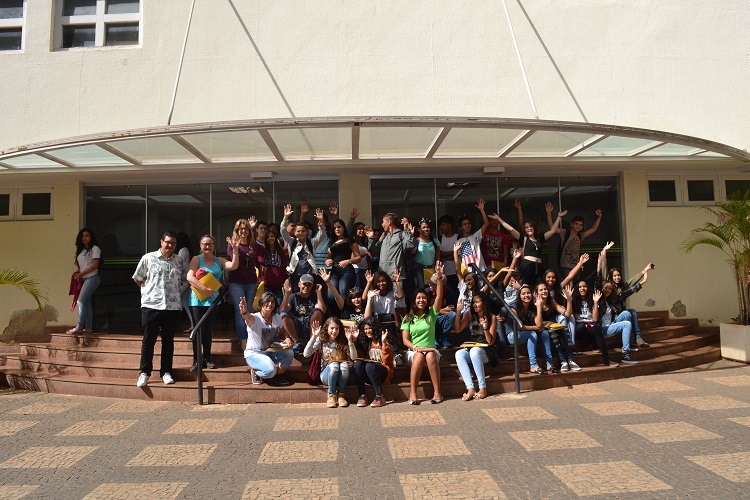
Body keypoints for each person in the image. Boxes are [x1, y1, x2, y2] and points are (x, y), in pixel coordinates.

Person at [132, 231, 187, 387]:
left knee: (168, 341)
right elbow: (137, 278)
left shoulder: (179, 261)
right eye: (167, 242)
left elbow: (184, 280)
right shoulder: (148, 258)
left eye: (173, 243)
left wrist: (176, 294)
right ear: (161, 242)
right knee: (148, 340)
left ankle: (166, 372)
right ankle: (144, 373)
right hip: (151, 306)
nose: (170, 245)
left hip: (172, 307)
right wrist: (149, 292)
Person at [186, 235, 239, 372]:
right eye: (204, 244)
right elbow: (189, 277)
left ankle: (207, 358)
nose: (207, 247)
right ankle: (197, 360)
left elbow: (233, 265)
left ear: (214, 246)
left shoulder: (219, 260)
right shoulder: (196, 259)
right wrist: (204, 289)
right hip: (197, 300)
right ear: (200, 246)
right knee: (198, 331)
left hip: (214, 301)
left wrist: (235, 250)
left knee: (208, 331)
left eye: (210, 244)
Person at [401, 261, 445, 404]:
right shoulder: (408, 317)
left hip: (431, 350)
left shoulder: (432, 313)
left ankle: (437, 393)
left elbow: (438, 297)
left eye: (424, 298)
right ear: (414, 300)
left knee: (430, 355)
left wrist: (438, 278)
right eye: (418, 298)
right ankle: (413, 394)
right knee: (419, 356)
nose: (421, 300)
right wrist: (415, 347)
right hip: (414, 351)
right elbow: (405, 340)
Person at [490, 201, 565, 286]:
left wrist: (559, 217)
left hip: (539, 266)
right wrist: (499, 219)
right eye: (526, 227)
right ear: (524, 230)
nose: (529, 228)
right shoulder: (523, 238)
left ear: (534, 227)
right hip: (527, 265)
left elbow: (553, 231)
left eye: (530, 226)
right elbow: (511, 229)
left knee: (540, 286)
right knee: (526, 286)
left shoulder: (540, 238)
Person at [239, 292, 294, 386]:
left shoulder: (277, 317)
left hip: (270, 351)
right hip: (254, 354)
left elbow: (282, 332)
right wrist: (244, 312)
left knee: (289, 353)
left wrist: (287, 338)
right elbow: (247, 317)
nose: (270, 304)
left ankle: (279, 375)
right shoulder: (255, 318)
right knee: (271, 371)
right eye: (267, 301)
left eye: (272, 301)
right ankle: (256, 372)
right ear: (261, 304)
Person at [304, 317, 358, 408]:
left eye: (337, 328)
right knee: (334, 365)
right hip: (327, 375)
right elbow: (306, 354)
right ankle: (331, 395)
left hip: (342, 376)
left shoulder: (343, 340)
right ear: (327, 328)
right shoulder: (322, 340)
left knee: (344, 365)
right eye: (332, 328)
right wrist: (314, 337)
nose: (334, 331)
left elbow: (354, 357)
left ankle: (341, 395)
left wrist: (350, 342)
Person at [227, 217, 262, 349]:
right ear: (237, 230)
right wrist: (235, 248)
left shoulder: (254, 245)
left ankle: (251, 337)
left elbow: (258, 260)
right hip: (236, 282)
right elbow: (232, 261)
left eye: (246, 229)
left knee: (250, 310)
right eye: (241, 229)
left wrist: (252, 228)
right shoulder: (232, 243)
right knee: (240, 311)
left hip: (251, 281)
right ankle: (243, 339)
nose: (243, 231)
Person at [453, 292, 497, 400]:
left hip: (486, 351)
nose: (474, 305)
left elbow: (491, 342)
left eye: (477, 302)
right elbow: (458, 329)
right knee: (459, 354)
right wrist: (458, 311)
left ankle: (483, 388)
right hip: (473, 346)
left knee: (474, 352)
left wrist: (485, 328)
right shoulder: (470, 314)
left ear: (484, 303)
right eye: (473, 302)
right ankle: (470, 388)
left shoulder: (492, 317)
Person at [546, 202, 602, 279]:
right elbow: (552, 228)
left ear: (582, 227)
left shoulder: (580, 236)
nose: (578, 226)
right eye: (576, 224)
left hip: (577, 266)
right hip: (565, 267)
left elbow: (593, 229)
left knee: (576, 287)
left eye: (580, 225)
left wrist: (599, 217)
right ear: (572, 224)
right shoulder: (565, 233)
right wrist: (549, 213)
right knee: (569, 287)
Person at [281, 204, 327, 292]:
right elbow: (283, 231)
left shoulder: (311, 242)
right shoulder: (292, 242)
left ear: (307, 232)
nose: (301, 233)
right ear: (294, 233)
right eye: (298, 231)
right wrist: (285, 218)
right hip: (295, 275)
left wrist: (321, 222)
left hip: (309, 275)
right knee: (295, 295)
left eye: (303, 231)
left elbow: (321, 234)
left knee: (309, 295)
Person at [606, 262, 653, 348]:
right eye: (615, 276)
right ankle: (628, 341)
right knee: (628, 314)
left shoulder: (622, 286)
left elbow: (633, 280)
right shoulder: (610, 289)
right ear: (611, 277)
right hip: (613, 317)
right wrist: (641, 283)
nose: (617, 277)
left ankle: (638, 338)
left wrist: (645, 270)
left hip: (620, 313)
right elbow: (623, 295)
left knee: (633, 312)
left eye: (619, 275)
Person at [570, 281, 618, 366]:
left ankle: (606, 358)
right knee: (581, 327)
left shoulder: (591, 300)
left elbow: (595, 319)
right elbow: (569, 314)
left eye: (584, 286)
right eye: (580, 287)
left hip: (590, 326)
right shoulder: (574, 301)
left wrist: (595, 302)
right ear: (577, 289)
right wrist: (569, 301)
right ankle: (593, 344)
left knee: (596, 328)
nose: (582, 289)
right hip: (579, 328)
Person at [511, 283, 554, 374]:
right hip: (513, 335)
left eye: (528, 293)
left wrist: (539, 307)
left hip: (527, 333)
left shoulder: (532, 307)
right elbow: (518, 327)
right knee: (533, 333)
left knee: (545, 333)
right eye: (523, 294)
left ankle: (549, 363)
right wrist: (537, 327)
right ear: (519, 296)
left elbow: (539, 323)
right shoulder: (514, 308)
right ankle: (533, 365)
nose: (526, 295)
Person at [535, 282, 578, 372]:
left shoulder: (551, 301)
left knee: (565, 329)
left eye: (545, 289)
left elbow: (567, 314)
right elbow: (538, 324)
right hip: (543, 331)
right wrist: (539, 306)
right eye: (541, 290)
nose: (544, 291)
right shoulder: (535, 304)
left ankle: (570, 360)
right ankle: (563, 361)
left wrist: (569, 300)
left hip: (554, 327)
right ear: (537, 292)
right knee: (551, 332)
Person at [352, 317, 394, 407]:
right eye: (365, 329)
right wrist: (354, 341)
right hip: (369, 374)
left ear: (375, 328)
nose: (368, 331)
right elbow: (355, 357)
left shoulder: (384, 340)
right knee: (358, 364)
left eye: (370, 328)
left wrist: (384, 343)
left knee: (370, 366)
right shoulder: (365, 343)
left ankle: (380, 396)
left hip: (384, 373)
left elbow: (388, 361)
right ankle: (362, 395)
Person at [366, 212, 414, 290]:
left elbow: (410, 245)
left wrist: (407, 230)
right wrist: (371, 238)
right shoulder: (384, 236)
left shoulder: (401, 235)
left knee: (397, 301)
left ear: (389, 222)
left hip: (395, 278)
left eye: (383, 222)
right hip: (382, 278)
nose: (382, 225)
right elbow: (374, 252)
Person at [68, 228, 102, 335]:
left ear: (91, 237)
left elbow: (95, 265)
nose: (84, 238)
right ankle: (88, 327)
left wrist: (81, 274)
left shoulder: (95, 249)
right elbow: (83, 266)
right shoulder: (81, 250)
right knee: (87, 303)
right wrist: (79, 273)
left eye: (87, 236)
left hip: (92, 278)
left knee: (81, 301)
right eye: (82, 236)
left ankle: (79, 326)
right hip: (84, 279)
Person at [280, 274, 326, 349]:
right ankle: (297, 343)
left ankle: (312, 342)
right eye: (304, 284)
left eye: (309, 285)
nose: (306, 287)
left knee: (317, 311)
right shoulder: (293, 296)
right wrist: (287, 293)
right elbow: (282, 311)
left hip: (310, 326)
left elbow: (322, 311)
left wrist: (319, 293)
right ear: (299, 284)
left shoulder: (314, 298)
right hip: (296, 326)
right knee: (284, 314)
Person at [325, 218, 361, 314]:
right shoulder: (331, 242)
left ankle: (346, 316)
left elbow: (358, 257)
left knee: (343, 292)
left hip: (347, 270)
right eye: (335, 228)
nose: (337, 229)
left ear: (344, 228)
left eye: (339, 227)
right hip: (334, 271)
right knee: (330, 296)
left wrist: (348, 261)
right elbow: (329, 258)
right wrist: (328, 261)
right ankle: (334, 318)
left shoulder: (350, 241)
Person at [598, 280, 639, 364]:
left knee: (626, 313)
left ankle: (626, 341)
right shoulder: (599, 300)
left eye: (610, 289)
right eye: (606, 288)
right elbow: (597, 281)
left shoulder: (609, 301)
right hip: (603, 329)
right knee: (627, 324)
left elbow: (624, 294)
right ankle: (625, 354)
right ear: (601, 288)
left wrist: (640, 284)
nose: (608, 290)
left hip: (610, 325)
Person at [455, 198, 490, 274]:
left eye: (469, 223)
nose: (467, 225)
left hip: (480, 270)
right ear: (461, 228)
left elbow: (486, 223)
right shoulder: (458, 242)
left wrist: (482, 210)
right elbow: (459, 258)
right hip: (467, 272)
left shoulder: (476, 236)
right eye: (464, 224)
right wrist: (462, 272)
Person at [407, 217, 440, 290]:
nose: (426, 229)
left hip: (430, 268)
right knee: (421, 287)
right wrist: (411, 237)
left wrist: (437, 267)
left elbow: (437, 257)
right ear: (419, 229)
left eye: (427, 227)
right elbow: (412, 252)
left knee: (430, 288)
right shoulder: (416, 241)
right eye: (423, 227)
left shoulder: (435, 241)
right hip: (418, 268)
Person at [259, 230, 288, 305]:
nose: (270, 238)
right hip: (266, 286)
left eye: (272, 236)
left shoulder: (280, 251)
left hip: (278, 286)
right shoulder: (263, 250)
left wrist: (283, 280)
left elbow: (283, 268)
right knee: (267, 307)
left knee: (279, 307)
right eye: (268, 237)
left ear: (275, 238)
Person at [175, 231, 194, 332]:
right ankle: (193, 323)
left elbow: (179, 264)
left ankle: (193, 323)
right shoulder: (187, 250)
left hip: (184, 280)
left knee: (183, 302)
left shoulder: (183, 250)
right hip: (187, 279)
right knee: (185, 302)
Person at [437, 214, 460, 296]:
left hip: (456, 272)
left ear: (449, 225)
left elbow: (459, 255)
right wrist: (453, 252)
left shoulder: (458, 237)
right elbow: (440, 255)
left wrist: (453, 255)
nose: (440, 227)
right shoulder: (439, 239)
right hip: (444, 273)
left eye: (443, 225)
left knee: (457, 294)